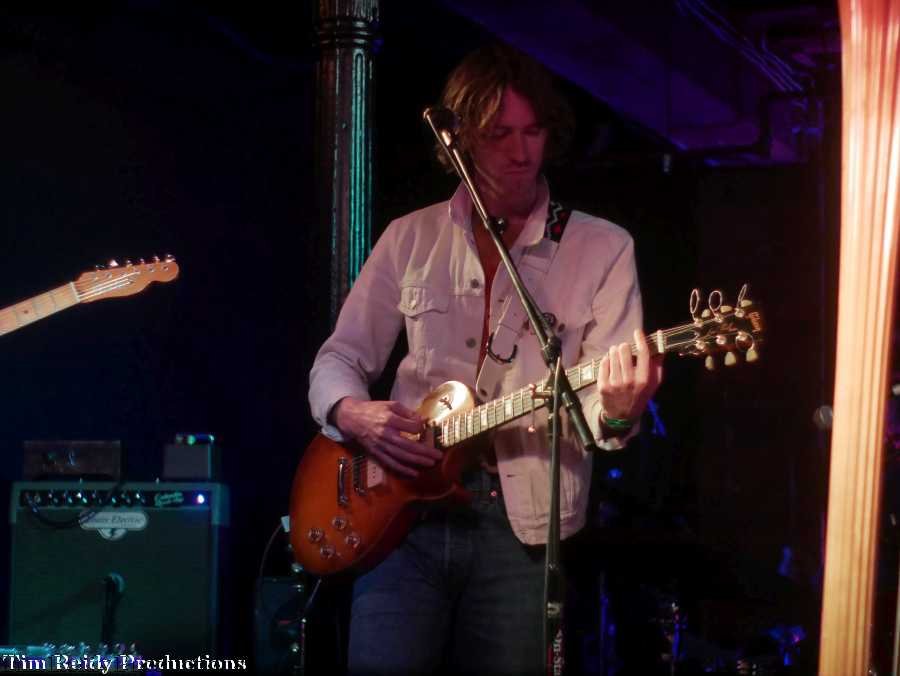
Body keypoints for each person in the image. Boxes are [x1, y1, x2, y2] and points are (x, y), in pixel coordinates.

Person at [308, 43, 663, 676]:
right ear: (462, 137)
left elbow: (600, 419)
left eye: (533, 131)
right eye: (500, 133)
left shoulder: (602, 248)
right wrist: (352, 413)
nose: (521, 152)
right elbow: (339, 357)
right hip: (401, 516)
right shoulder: (409, 237)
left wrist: (617, 412)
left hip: (519, 527)